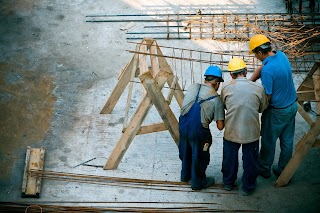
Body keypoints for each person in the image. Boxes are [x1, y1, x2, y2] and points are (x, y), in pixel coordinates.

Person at [249, 34, 298, 179]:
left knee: (268, 141)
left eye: (255, 54)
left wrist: (258, 108)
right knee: (287, 141)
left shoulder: (268, 71)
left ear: (259, 52)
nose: (255, 57)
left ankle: (264, 168)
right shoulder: (281, 55)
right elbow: (264, 66)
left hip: (277, 112)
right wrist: (250, 81)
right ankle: (283, 169)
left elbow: (267, 97)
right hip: (292, 105)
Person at [221, 58, 268, 196]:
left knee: (229, 158)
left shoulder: (226, 88)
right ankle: (248, 186)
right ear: (246, 71)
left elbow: (224, 106)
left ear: (231, 75)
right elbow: (262, 108)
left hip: (231, 131)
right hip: (251, 131)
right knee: (250, 160)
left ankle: (228, 182)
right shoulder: (259, 88)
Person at [178, 65, 225, 190]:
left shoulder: (192, 87)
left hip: (183, 124)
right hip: (199, 131)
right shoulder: (216, 99)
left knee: (186, 149)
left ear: (205, 79)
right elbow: (220, 126)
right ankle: (198, 183)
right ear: (218, 84)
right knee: (200, 155)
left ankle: (185, 176)